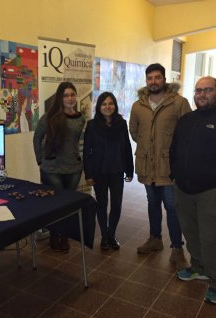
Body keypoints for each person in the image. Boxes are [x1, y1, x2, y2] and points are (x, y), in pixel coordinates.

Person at [169, 76, 216, 305]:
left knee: (211, 238)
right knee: (191, 231)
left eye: (207, 90)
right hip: (183, 188)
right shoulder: (186, 120)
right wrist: (174, 175)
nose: (201, 94)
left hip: (211, 191)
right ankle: (198, 267)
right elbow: (174, 150)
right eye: (198, 90)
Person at [129, 63, 191, 269]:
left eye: (157, 77)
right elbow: (134, 132)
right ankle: (155, 238)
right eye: (150, 78)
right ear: (146, 81)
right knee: (152, 204)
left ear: (164, 79)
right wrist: (149, 147)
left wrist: (169, 151)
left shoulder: (179, 103)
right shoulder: (138, 106)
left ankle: (177, 248)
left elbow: (187, 134)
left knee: (172, 207)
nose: (153, 81)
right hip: (148, 165)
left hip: (169, 167)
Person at [33, 82, 85, 252]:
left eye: (72, 94)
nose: (70, 98)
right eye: (66, 95)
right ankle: (55, 236)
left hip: (73, 169)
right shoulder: (49, 117)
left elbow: (82, 141)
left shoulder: (80, 118)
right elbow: (37, 138)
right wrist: (40, 160)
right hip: (52, 169)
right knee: (55, 205)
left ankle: (64, 237)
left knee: (68, 206)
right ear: (60, 98)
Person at [83, 92, 134, 251]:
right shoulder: (92, 125)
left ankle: (112, 234)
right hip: (99, 171)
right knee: (102, 204)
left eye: (110, 103)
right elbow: (86, 151)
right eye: (104, 104)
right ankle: (104, 236)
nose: (107, 107)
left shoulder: (121, 123)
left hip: (117, 170)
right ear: (99, 107)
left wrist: (129, 170)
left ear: (115, 106)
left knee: (117, 204)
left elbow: (126, 147)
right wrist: (88, 174)